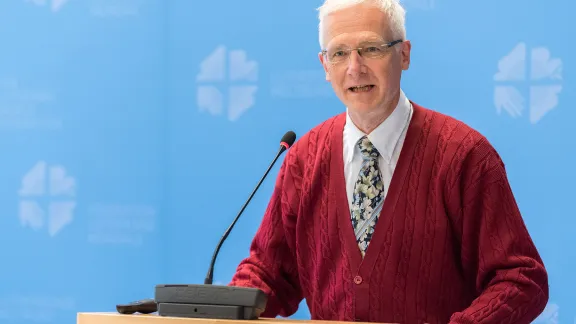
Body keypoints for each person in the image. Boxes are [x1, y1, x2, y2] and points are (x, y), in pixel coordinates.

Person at [229, 0, 549, 323]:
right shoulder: (302, 160)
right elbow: (268, 275)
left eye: (371, 48)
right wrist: (220, 310)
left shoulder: (464, 155)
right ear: (325, 65)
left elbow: (521, 278)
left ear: (404, 54)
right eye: (339, 53)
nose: (355, 68)